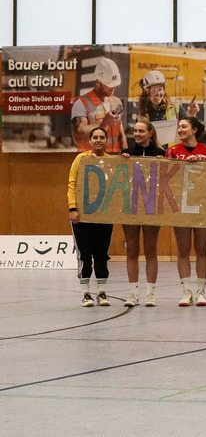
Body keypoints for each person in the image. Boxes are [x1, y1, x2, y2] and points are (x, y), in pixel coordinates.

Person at [165, 117, 206, 307]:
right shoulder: (172, 151)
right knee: (183, 250)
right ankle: (186, 291)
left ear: (194, 130)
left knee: (202, 249)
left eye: (184, 126)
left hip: (202, 206)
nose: (180, 129)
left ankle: (201, 291)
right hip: (180, 206)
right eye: (179, 127)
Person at [120, 119, 165, 307]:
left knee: (150, 250)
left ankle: (150, 294)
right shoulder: (126, 153)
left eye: (141, 131)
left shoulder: (161, 153)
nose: (137, 134)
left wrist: (164, 164)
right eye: (135, 131)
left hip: (151, 208)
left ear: (150, 133)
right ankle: (133, 293)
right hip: (130, 208)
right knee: (132, 250)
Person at [68, 127, 115, 307]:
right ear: (89, 140)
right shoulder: (81, 159)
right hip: (82, 215)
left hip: (103, 215)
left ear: (106, 140)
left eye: (102, 137)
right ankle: (85, 293)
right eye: (95, 137)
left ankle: (102, 292)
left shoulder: (112, 161)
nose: (98, 140)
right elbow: (72, 183)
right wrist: (73, 208)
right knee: (85, 255)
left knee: (102, 254)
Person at [71, 56, 128, 153]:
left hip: (113, 161)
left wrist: (126, 152)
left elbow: (121, 134)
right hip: (90, 162)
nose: (113, 88)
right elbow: (78, 137)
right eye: (109, 84)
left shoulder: (117, 102)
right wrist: (103, 123)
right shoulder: (81, 103)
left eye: (115, 84)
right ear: (97, 81)